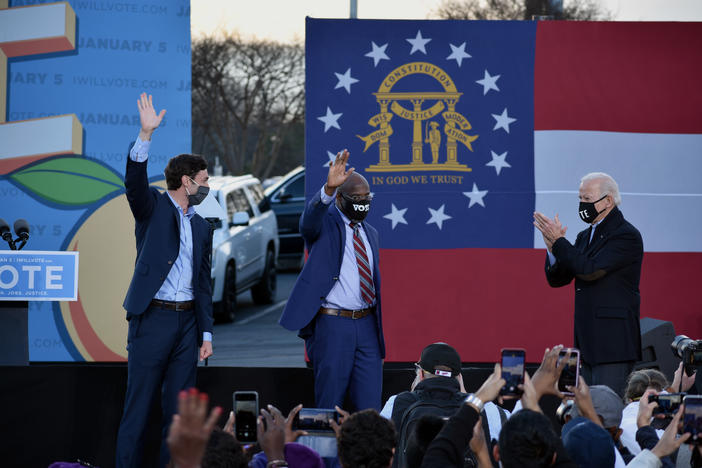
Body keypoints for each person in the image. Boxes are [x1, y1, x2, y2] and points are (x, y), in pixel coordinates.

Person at [116, 93, 214, 468]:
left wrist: (206, 334)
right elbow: (134, 183)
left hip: (188, 325)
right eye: (204, 180)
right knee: (137, 410)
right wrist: (145, 134)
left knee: (179, 417)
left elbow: (203, 283)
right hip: (152, 318)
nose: (208, 186)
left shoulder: (203, 226)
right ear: (187, 181)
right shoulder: (153, 206)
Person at [279, 149, 384, 411]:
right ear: (339, 199)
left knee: (370, 409)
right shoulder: (325, 224)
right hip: (333, 324)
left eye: (366, 197)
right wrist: (328, 188)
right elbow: (307, 222)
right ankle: (325, 454)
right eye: (355, 197)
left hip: (368, 325)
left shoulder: (370, 233)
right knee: (329, 406)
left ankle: (370, 453)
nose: (362, 202)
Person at [534, 172, 644, 396]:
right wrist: (552, 248)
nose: (582, 204)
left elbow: (590, 270)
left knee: (606, 412)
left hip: (613, 346)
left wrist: (560, 242)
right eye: (580, 198)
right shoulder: (585, 236)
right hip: (586, 344)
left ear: (608, 201)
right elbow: (558, 279)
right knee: (584, 410)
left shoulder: (625, 235)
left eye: (587, 198)